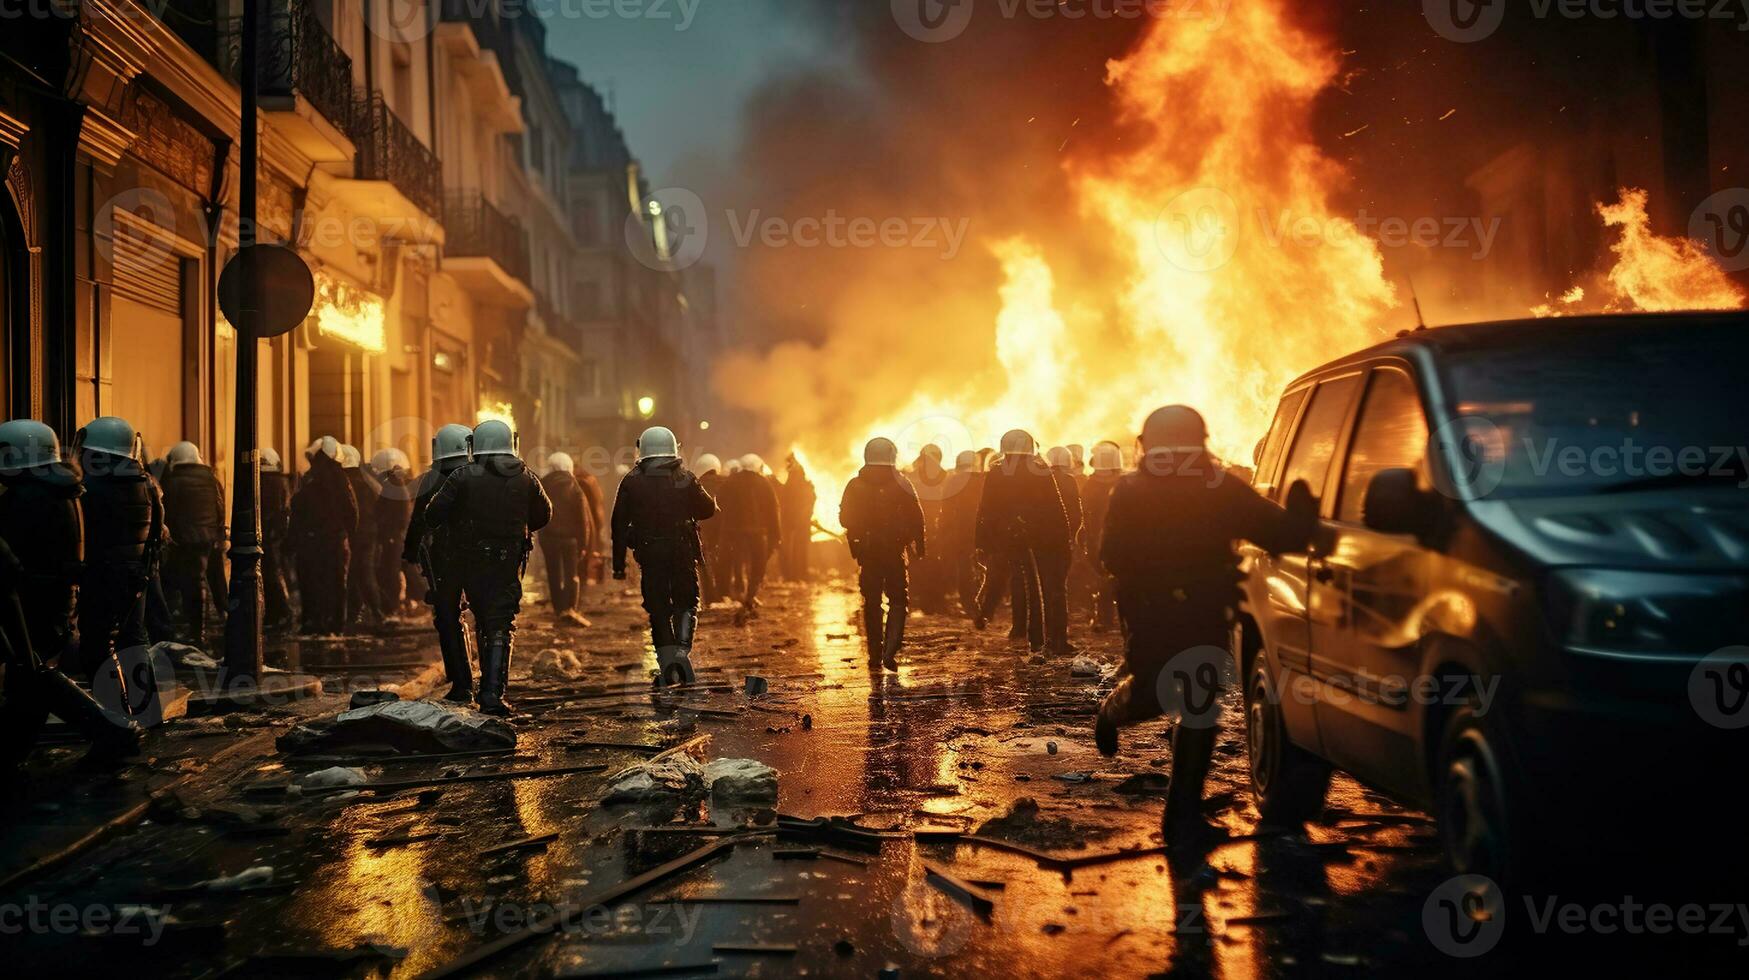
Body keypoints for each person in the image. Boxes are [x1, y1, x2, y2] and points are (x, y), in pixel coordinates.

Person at [1094, 406, 1316, 849]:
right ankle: (1112, 711)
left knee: (1198, 710)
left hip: (1200, 611)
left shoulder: (1212, 489)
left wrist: (1300, 516)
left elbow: (1277, 533)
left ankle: (1182, 821)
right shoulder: (1142, 491)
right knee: (1157, 691)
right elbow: (1111, 555)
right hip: (1155, 612)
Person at [424, 420, 552, 716]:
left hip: (469, 561)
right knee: (500, 624)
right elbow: (544, 514)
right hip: (508, 562)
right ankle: (492, 694)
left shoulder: (461, 476)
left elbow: (433, 513)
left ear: (476, 446)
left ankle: (475, 688)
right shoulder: (526, 478)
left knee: (481, 616)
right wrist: (517, 526)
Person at [0, 534, 143, 789]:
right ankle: (114, 728)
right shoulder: (62, 496)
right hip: (68, 587)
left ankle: (112, 729)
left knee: (31, 678)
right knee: (31, 678)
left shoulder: (32, 497)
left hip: (57, 589)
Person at [611, 427, 717, 686]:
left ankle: (669, 666)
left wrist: (618, 566)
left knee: (658, 609)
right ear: (673, 448)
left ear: (642, 449)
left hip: (650, 554)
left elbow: (618, 526)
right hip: (682, 551)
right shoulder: (686, 478)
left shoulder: (631, 480)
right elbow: (707, 510)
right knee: (686, 602)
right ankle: (682, 654)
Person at [70, 418, 162, 682]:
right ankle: (144, 706)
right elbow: (157, 531)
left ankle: (113, 707)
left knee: (98, 643)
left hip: (102, 573)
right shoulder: (145, 482)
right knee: (134, 638)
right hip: (136, 572)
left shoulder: (91, 487)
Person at [973, 430, 1069, 653]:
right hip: (1040, 538)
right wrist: (1063, 539)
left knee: (1016, 583)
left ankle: (1026, 633)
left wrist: (982, 541)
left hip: (1007, 538)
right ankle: (1038, 638)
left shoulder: (997, 473)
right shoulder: (1040, 472)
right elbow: (1055, 508)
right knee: (1039, 588)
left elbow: (985, 510)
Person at [0, 420, 84, 663]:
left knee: (29, 671)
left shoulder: (28, 496)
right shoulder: (61, 488)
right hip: (57, 595)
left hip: (33, 598)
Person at [840, 438, 926, 671]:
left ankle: (874, 655)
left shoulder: (854, 485)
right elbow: (917, 517)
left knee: (872, 602)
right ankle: (890, 651)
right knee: (898, 599)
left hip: (868, 555)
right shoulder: (902, 484)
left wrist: (863, 529)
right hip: (894, 552)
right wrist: (919, 544)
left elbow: (844, 519)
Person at [404, 425, 473, 702]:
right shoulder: (475, 475)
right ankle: (489, 685)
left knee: (447, 619)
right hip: (475, 557)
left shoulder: (430, 479)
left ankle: (461, 682)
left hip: (442, 561)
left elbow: (418, 520)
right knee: (488, 620)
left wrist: (409, 551)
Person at [160, 441, 226, 646]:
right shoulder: (211, 479)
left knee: (178, 584)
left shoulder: (171, 481)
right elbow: (220, 507)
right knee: (203, 582)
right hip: (207, 538)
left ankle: (187, 631)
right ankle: (200, 628)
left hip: (181, 539)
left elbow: (167, 511)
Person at [289, 438, 357, 635]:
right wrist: (348, 535)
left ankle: (315, 622)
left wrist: (293, 540)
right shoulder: (343, 480)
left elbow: (299, 512)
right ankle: (335, 625)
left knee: (313, 583)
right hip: (336, 540)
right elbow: (352, 513)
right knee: (336, 584)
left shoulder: (312, 480)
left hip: (313, 541)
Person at [720, 454, 780, 615]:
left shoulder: (730, 482)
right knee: (758, 566)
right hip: (758, 534)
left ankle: (740, 594)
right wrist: (776, 535)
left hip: (735, 533)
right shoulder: (764, 483)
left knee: (738, 564)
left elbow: (720, 505)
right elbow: (773, 511)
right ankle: (750, 596)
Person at [540, 452, 593, 627]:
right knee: (572, 574)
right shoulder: (574, 486)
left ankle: (559, 610)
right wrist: (584, 543)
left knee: (554, 574)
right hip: (571, 540)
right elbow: (583, 518)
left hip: (549, 539)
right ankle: (570, 608)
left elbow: (536, 512)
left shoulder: (542, 484)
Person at [1080, 441, 1125, 633]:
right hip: (1122, 537)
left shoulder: (1090, 485)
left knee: (1102, 577)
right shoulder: (1124, 483)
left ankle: (1103, 618)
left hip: (1097, 537)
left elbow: (1084, 511)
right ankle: (1122, 618)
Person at [1044, 446, 1085, 655]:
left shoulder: (1039, 479)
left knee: (1043, 590)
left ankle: (1045, 638)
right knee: (1059, 589)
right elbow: (1076, 513)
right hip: (1061, 542)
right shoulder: (1069, 481)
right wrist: (1072, 536)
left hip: (1040, 542)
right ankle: (1060, 638)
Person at [939, 450, 987, 619]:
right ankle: (985, 601)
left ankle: (969, 603)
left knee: (964, 567)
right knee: (986, 565)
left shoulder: (953, 481)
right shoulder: (984, 480)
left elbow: (946, 509)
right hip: (983, 529)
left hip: (961, 531)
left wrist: (943, 531)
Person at [339, 445, 382, 628]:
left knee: (355, 575)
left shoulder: (345, 482)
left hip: (354, 534)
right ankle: (371, 611)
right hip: (369, 533)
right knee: (364, 573)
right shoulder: (368, 481)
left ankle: (365, 612)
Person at [908, 445, 951, 615]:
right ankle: (925, 601)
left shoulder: (947, 478)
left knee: (934, 565)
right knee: (922, 565)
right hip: (923, 527)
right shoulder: (913, 478)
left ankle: (933, 601)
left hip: (935, 528)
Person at [371, 449, 415, 618]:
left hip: (393, 535)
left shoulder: (393, 487)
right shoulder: (398, 485)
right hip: (396, 534)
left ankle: (393, 605)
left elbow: (395, 514)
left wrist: (391, 533)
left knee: (391, 570)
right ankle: (396, 603)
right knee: (394, 570)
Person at [260, 448, 295, 632]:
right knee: (274, 573)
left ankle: (281, 612)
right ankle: (280, 613)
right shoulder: (281, 481)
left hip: (269, 535)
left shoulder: (265, 482)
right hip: (274, 534)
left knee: (271, 575)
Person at [776, 454, 816, 582]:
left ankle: (792, 575)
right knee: (799, 549)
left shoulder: (791, 485)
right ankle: (798, 575)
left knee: (792, 549)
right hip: (797, 522)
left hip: (794, 522)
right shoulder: (804, 485)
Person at [693, 454, 726, 603]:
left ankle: (710, 598)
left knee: (705, 564)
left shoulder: (695, 486)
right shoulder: (727, 483)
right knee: (724, 561)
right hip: (724, 530)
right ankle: (724, 594)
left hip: (703, 530)